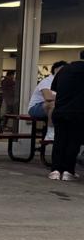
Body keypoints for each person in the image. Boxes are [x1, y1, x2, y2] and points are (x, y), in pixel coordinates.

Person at [48, 50, 84, 181]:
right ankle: (68, 171)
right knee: (73, 141)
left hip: (60, 110)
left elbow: (54, 89)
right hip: (79, 112)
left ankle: (55, 170)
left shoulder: (64, 69)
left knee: (59, 140)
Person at [29, 61, 66, 142]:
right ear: (54, 70)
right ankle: (50, 133)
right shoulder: (47, 81)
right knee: (52, 104)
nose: (63, 72)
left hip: (56, 108)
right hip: (36, 108)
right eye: (60, 70)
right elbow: (48, 97)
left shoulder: (65, 82)